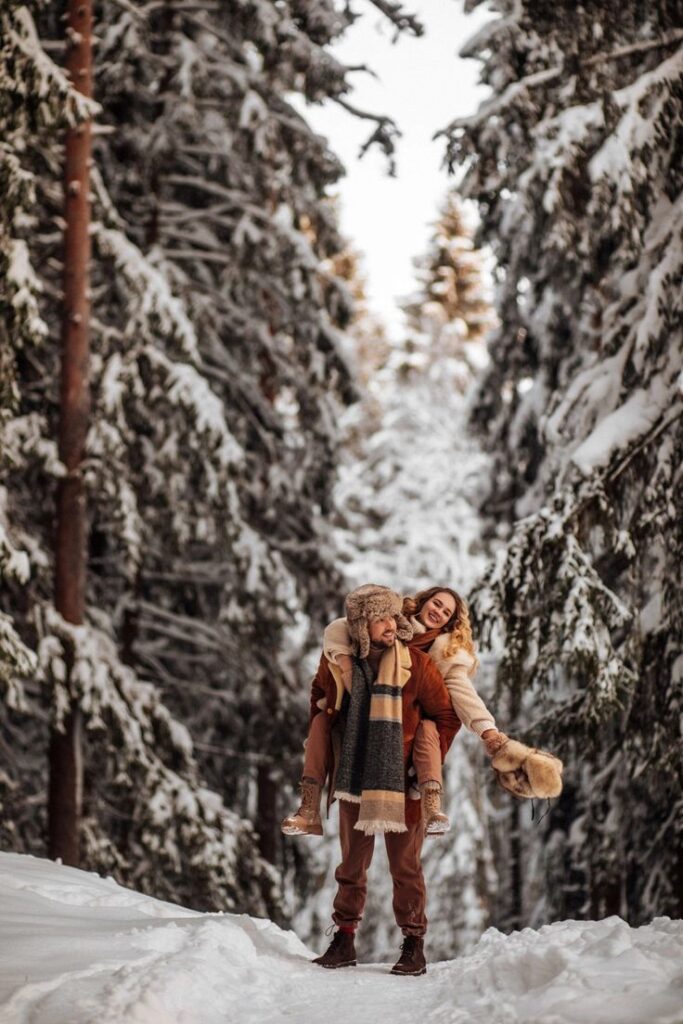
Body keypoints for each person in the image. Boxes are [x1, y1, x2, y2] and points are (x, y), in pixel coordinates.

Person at [291, 583, 460, 975]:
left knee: (406, 868)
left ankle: (414, 944)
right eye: (380, 618)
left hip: (404, 784)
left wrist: (428, 753)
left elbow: (446, 715)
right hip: (353, 777)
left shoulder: (416, 665)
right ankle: (345, 939)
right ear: (362, 625)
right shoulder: (341, 662)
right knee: (351, 865)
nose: (390, 624)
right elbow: (319, 695)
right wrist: (329, 728)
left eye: (392, 616)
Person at [282, 585, 503, 839]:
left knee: (405, 863)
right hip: (361, 722)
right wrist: (344, 663)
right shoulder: (392, 623)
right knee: (321, 722)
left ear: (450, 622)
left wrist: (487, 731)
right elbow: (341, 627)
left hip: (403, 741)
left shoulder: (442, 655)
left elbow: (463, 696)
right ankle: (308, 810)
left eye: (446, 612)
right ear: (424, 602)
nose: (438, 612)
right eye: (436, 603)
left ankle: (430, 800)